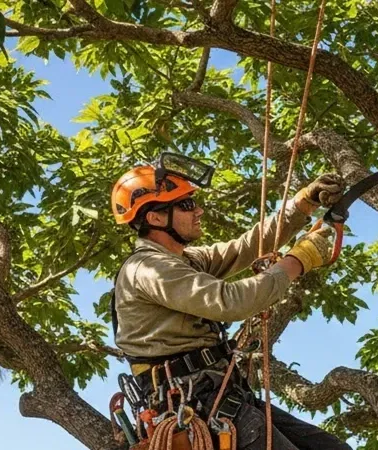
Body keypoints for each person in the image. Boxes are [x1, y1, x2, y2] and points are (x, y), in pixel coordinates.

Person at [109, 153, 352, 450]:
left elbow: (243, 247)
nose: (198, 210)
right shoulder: (147, 269)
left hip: (221, 394)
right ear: (155, 218)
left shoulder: (184, 261)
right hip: (193, 403)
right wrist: (296, 262)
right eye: (186, 205)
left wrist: (301, 205)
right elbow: (231, 301)